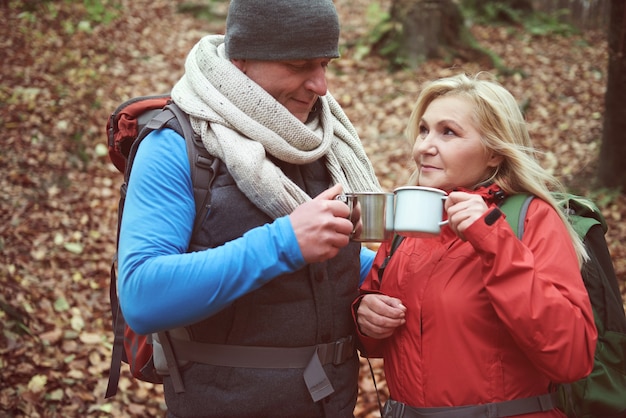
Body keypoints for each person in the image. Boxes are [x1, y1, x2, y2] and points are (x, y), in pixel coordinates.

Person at [117, 1, 382, 417]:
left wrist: (381, 277)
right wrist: (284, 244)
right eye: (300, 66)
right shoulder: (174, 144)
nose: (322, 86)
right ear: (241, 60)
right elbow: (142, 295)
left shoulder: (316, 138)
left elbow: (334, 253)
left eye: (326, 64)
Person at [354, 73, 598, 418]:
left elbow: (572, 358)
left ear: (494, 154)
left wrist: (492, 239)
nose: (423, 146)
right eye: (423, 130)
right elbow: (378, 341)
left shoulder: (531, 219)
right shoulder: (410, 221)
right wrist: (367, 318)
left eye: (448, 132)